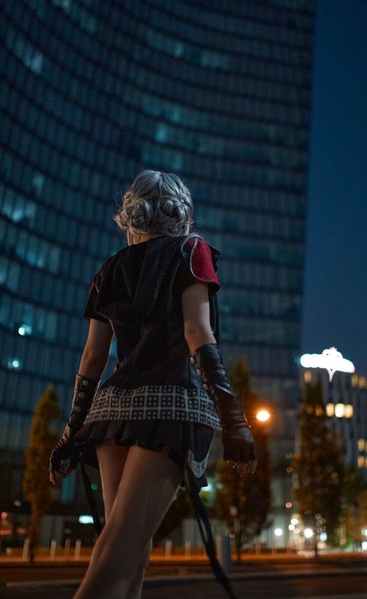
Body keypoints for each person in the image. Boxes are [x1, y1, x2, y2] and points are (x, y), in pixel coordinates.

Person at [49, 170, 258, 599]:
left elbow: (92, 359)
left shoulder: (108, 269)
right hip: (169, 409)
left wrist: (70, 435)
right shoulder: (191, 250)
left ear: (132, 213)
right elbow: (197, 333)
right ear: (180, 211)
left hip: (111, 414)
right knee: (119, 556)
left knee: (129, 551)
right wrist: (234, 420)